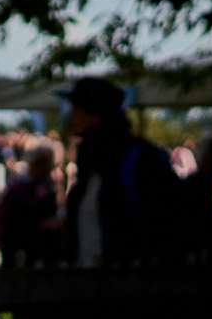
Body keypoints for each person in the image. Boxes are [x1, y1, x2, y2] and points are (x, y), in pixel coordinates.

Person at [62, 76, 184, 266]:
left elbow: (163, 224)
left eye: (77, 109)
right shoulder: (89, 164)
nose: (71, 116)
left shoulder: (140, 159)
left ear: (94, 115)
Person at [0, 140, 61, 265]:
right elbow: (15, 215)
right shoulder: (19, 186)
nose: (49, 167)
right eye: (44, 163)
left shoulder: (45, 185)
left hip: (34, 244)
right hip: (16, 241)